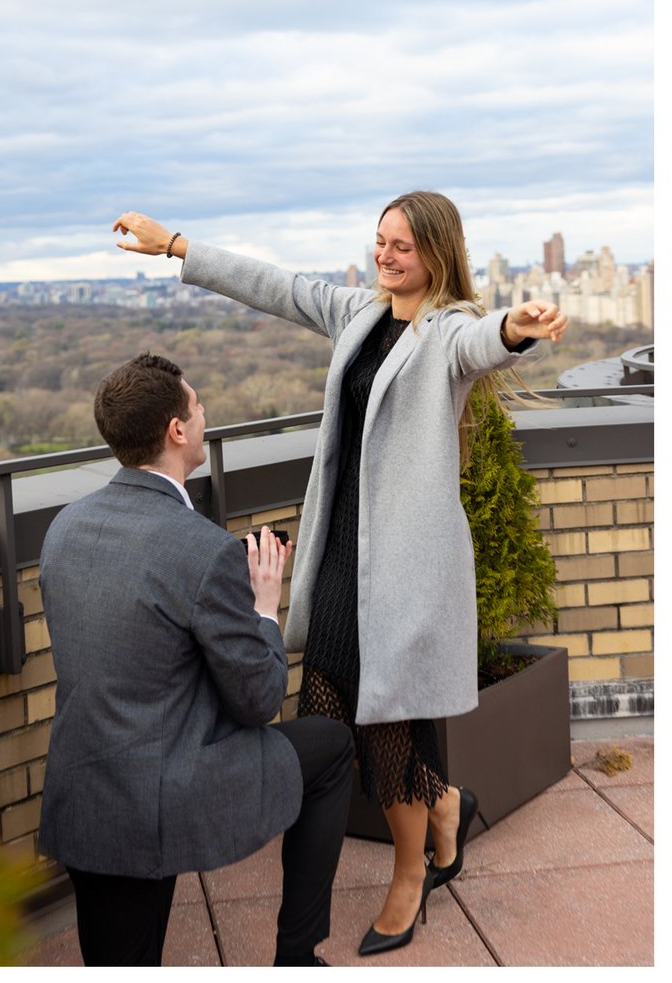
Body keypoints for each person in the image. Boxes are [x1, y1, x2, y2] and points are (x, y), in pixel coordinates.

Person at [111, 193, 567, 955]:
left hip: (405, 567)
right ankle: (445, 804)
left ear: (436, 253)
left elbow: (484, 341)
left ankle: (408, 877)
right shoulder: (358, 311)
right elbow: (277, 285)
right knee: (328, 712)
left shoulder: (445, 330)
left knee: (386, 725)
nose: (387, 256)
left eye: (403, 247)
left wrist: (516, 329)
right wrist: (176, 246)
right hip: (340, 557)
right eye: (380, 241)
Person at [38, 354, 355, 967]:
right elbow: (260, 701)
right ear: (176, 431)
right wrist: (263, 605)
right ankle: (297, 959)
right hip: (161, 795)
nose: (205, 411)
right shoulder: (203, 550)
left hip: (82, 795)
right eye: (198, 404)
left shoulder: (64, 528)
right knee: (332, 748)